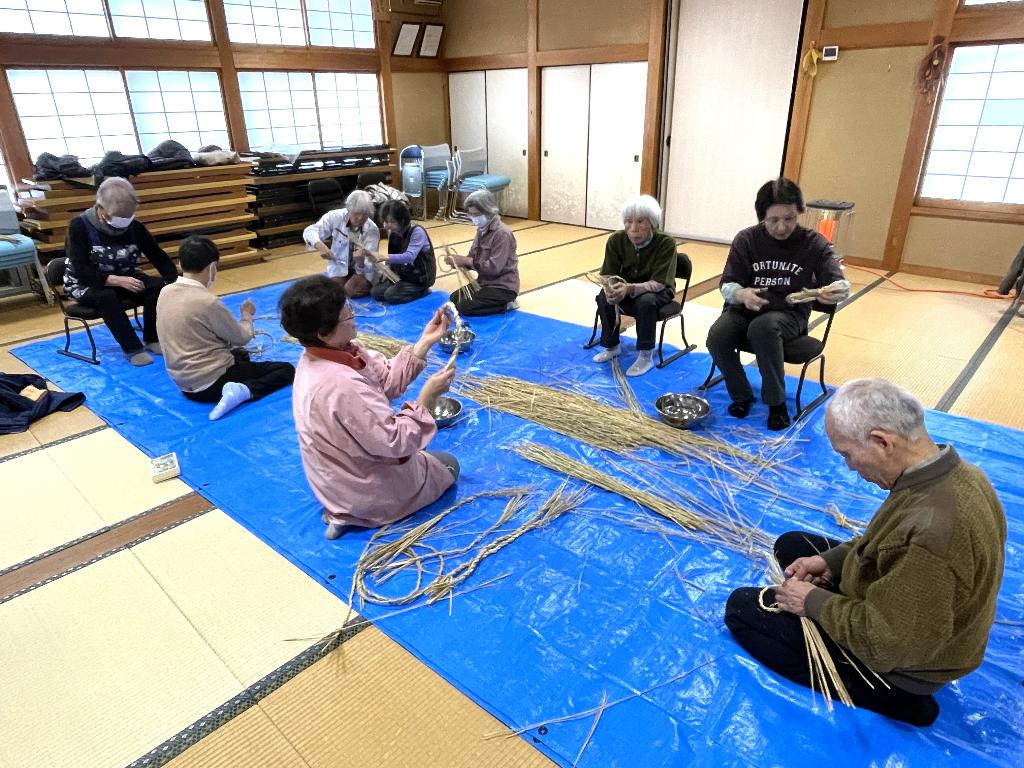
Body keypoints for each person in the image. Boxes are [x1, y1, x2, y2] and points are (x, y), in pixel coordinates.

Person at [724, 378, 1006, 727]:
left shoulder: (932, 532)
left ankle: (898, 698)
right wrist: (829, 562)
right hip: (908, 605)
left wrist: (812, 601)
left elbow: (889, 644)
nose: (849, 467)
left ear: (882, 441)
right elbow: (883, 540)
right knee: (792, 545)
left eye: (847, 454)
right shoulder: (954, 473)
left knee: (742, 609)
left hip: (906, 662)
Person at [279, 275, 459, 539]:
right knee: (449, 464)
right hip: (363, 489)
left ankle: (342, 513)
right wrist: (427, 397)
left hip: (336, 483)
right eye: (347, 316)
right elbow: (395, 441)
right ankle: (355, 514)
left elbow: (384, 381)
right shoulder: (338, 384)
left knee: (423, 455)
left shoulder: (331, 354)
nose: (354, 318)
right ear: (323, 333)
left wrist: (425, 342)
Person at [707, 177, 849, 430]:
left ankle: (776, 402)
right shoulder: (747, 239)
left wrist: (836, 291)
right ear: (762, 216)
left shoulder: (813, 243)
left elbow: (838, 282)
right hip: (746, 309)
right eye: (773, 220)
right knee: (718, 335)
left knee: (763, 327)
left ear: (799, 213)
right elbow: (727, 285)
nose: (782, 227)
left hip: (789, 313)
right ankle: (741, 394)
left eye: (789, 218)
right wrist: (742, 294)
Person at [156, 235, 295, 420]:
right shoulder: (207, 302)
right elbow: (242, 337)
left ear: (180, 264)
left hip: (184, 384)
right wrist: (247, 317)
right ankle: (243, 391)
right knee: (286, 370)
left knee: (241, 355)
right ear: (212, 267)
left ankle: (235, 384)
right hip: (210, 384)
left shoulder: (165, 292)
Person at [63, 177, 178, 366]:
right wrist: (115, 280)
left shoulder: (136, 228)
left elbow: (158, 256)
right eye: (118, 217)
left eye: (128, 217)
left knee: (157, 286)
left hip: (125, 276)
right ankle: (132, 348)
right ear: (100, 208)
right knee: (107, 297)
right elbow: (81, 270)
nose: (124, 222)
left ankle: (152, 338)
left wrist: (175, 282)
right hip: (86, 283)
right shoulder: (79, 227)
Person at [591, 195, 678, 377]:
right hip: (626, 288)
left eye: (640, 221)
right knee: (604, 296)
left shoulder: (666, 243)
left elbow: (659, 283)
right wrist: (611, 288)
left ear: (652, 223)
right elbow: (608, 274)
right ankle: (612, 346)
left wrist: (629, 289)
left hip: (658, 290)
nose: (633, 228)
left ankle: (646, 355)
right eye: (628, 221)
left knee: (645, 302)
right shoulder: (616, 240)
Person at [443, 189, 520, 316]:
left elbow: (493, 268)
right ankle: (495, 302)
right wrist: (457, 262)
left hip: (503, 287)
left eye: (476, 214)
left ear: (488, 211)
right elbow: (472, 258)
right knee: (454, 298)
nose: (474, 218)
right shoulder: (481, 230)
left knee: (465, 306)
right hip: (484, 283)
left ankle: (506, 304)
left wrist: (466, 261)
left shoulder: (502, 234)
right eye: (471, 214)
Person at [302, 189, 381, 298]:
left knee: (350, 291)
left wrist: (360, 263)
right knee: (334, 291)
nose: (360, 218)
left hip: (363, 270)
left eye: (365, 214)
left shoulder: (372, 229)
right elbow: (309, 231)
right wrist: (320, 245)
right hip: (340, 266)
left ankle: (371, 282)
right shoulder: (334, 217)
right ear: (348, 209)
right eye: (357, 214)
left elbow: (369, 264)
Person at [370, 200, 436, 304]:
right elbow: (392, 255)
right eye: (385, 221)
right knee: (376, 292)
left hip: (419, 279)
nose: (387, 226)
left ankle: (423, 290)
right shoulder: (394, 233)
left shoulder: (417, 231)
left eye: (391, 221)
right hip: (402, 276)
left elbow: (409, 257)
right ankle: (403, 288)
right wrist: (387, 271)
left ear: (402, 220)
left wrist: (384, 257)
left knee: (390, 295)